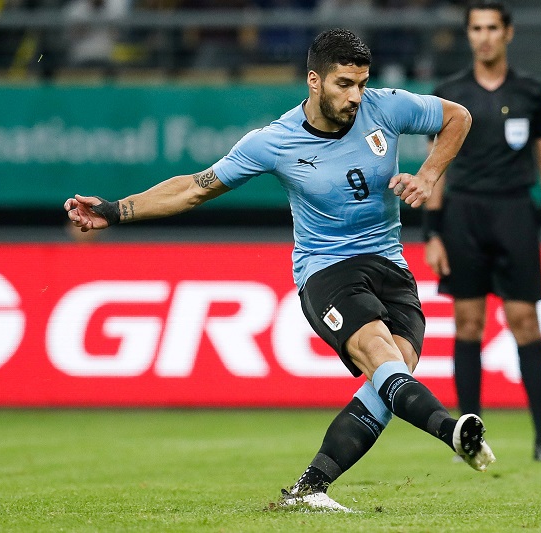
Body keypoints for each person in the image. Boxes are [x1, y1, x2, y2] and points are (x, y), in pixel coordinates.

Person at [64, 28, 495, 512]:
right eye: (343, 84)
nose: (356, 96)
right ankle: (452, 431)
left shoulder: (386, 107)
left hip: (390, 266)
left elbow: (458, 116)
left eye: (361, 83)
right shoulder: (273, 142)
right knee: (380, 353)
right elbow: (194, 188)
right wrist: (116, 210)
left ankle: (309, 491)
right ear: (314, 80)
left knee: (392, 377)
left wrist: (429, 174)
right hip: (327, 271)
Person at [424, 2, 541, 462]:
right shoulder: (448, 94)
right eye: (476, 28)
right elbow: (436, 168)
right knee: (468, 323)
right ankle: (468, 438)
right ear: (468, 35)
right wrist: (431, 231)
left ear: (508, 33)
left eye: (492, 28)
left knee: (525, 322)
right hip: (462, 215)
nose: (484, 36)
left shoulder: (533, 91)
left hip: (514, 213)